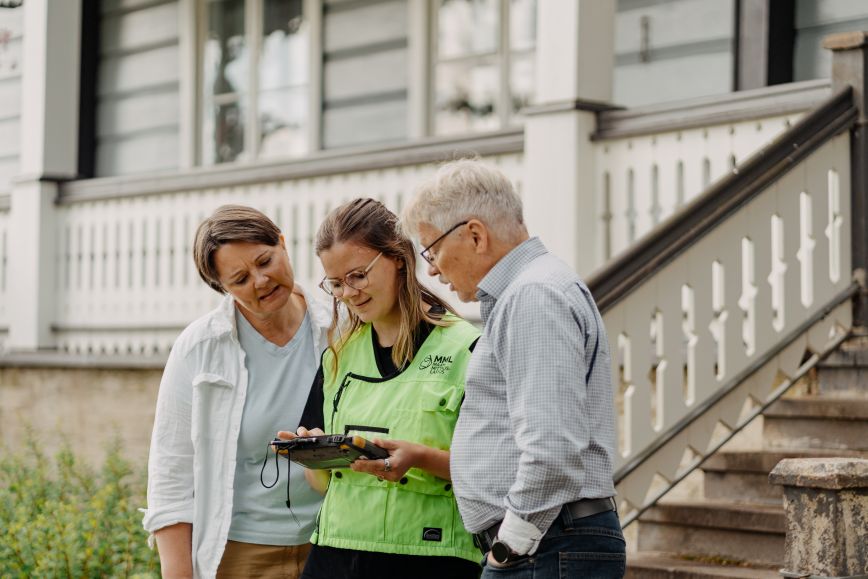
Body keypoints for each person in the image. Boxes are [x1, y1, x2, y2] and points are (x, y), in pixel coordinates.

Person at [402, 159, 626, 578]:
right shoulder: (531, 290)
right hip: (550, 542)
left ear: (474, 235)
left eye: (431, 251)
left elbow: (552, 447)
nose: (431, 269)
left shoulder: (533, 296)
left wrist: (508, 548)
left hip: (543, 546)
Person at [278, 198, 482, 579]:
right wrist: (316, 452)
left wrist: (419, 457)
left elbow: (495, 471)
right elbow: (322, 486)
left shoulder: (467, 350)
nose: (348, 293)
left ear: (399, 258)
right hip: (336, 555)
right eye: (336, 284)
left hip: (432, 558)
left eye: (358, 276)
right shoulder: (337, 357)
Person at [142, 205, 332, 579]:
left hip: (335, 543)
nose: (260, 281)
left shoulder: (340, 325)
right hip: (240, 554)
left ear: (281, 242)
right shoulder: (199, 349)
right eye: (240, 279)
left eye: (265, 261)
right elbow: (171, 473)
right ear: (222, 288)